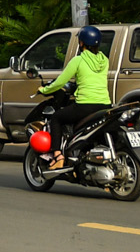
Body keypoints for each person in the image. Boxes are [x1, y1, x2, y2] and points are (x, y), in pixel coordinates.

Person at [38, 26, 112, 171]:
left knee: (57, 118)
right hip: (105, 105)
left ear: (82, 43)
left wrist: (44, 90)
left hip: (86, 105)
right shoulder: (105, 60)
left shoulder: (78, 60)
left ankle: (58, 156)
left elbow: (59, 82)